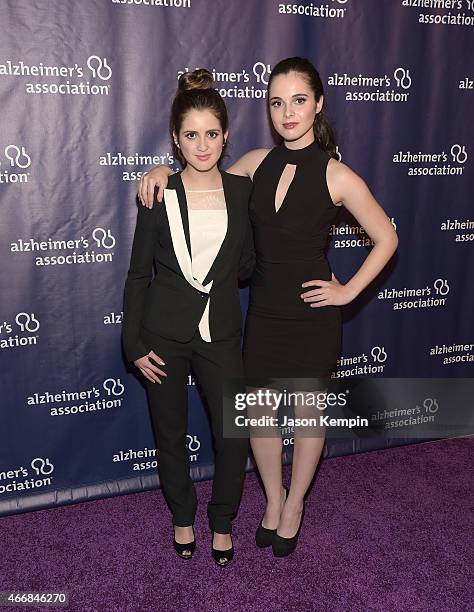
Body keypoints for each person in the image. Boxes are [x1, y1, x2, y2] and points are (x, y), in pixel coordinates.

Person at [137, 57, 399, 557]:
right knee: (257, 414)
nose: (288, 113)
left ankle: (295, 502)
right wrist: (159, 171)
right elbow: (199, 185)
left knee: (306, 416)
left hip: (311, 316)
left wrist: (346, 292)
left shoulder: (337, 175)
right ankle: (272, 497)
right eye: (277, 102)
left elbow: (386, 237)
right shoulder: (256, 163)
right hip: (260, 312)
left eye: (299, 101)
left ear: (318, 104)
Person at [122, 69, 255, 566]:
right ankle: (182, 517)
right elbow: (138, 275)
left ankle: (222, 521)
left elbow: (247, 262)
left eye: (213, 133)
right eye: (192, 135)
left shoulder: (242, 191)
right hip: (162, 334)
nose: (203, 145)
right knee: (170, 433)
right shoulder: (158, 191)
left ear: (226, 135)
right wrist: (132, 343)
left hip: (220, 333)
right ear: (176, 140)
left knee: (233, 433)